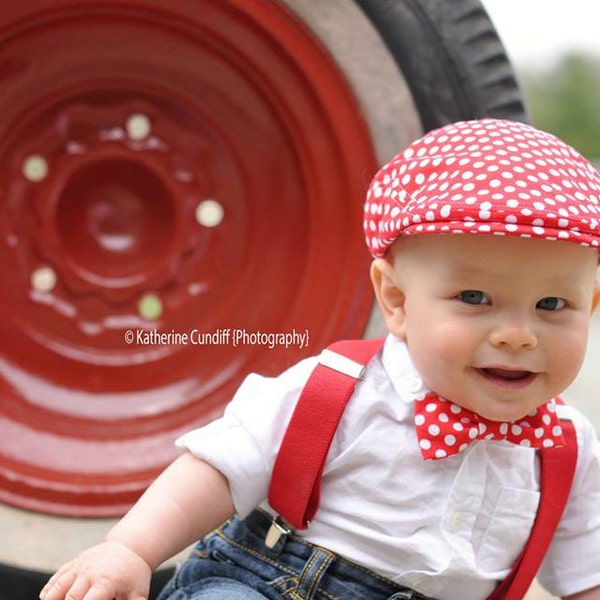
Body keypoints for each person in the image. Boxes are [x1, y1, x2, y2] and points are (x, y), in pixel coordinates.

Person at [40, 119, 600, 600]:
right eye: (474, 299)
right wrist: (130, 550)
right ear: (397, 301)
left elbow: (586, 570)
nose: (517, 335)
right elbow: (217, 469)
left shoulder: (568, 448)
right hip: (271, 581)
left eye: (553, 304)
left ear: (591, 307)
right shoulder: (340, 389)